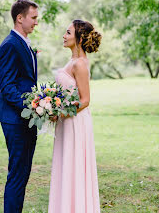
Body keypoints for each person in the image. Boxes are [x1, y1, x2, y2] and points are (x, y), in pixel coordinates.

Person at [48, 19, 101, 213]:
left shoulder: (80, 64)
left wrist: (59, 112)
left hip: (75, 123)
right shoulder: (71, 60)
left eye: (68, 33)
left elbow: (85, 100)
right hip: (66, 122)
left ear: (78, 39)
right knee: (66, 165)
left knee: (75, 166)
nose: (64, 35)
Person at [0, 0, 38, 213]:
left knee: (22, 175)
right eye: (33, 18)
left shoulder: (24, 43)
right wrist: (36, 106)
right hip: (15, 120)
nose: (36, 22)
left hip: (26, 119)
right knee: (17, 175)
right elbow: (8, 88)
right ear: (19, 18)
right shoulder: (10, 45)